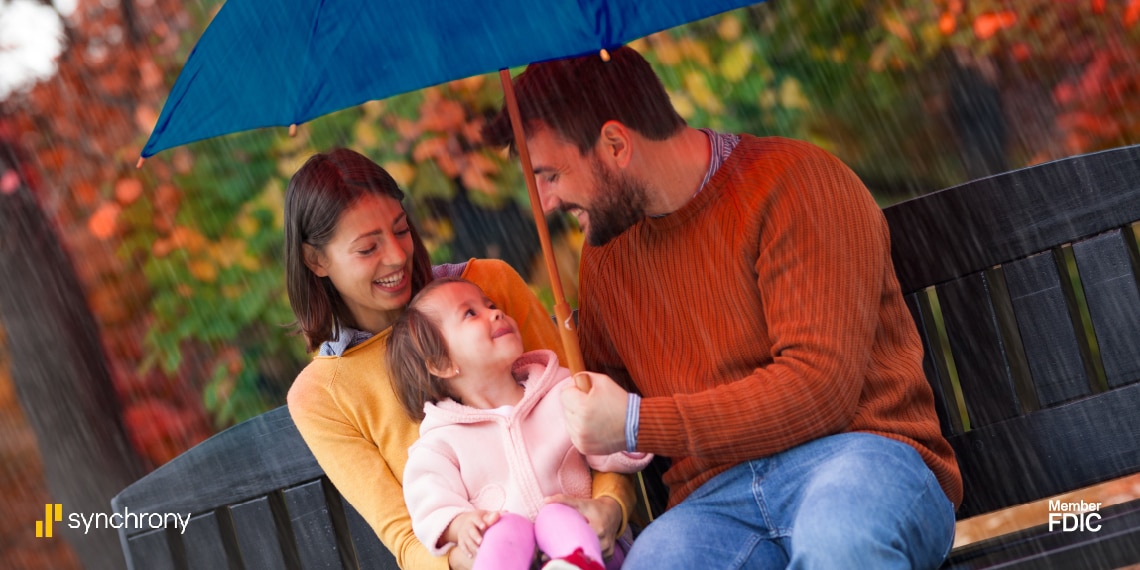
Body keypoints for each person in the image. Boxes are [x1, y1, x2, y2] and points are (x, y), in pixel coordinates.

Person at [482, 46, 963, 569]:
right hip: (714, 506)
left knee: (840, 543)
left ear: (616, 143)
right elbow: (606, 421)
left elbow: (818, 390)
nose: (546, 200)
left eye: (550, 175)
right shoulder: (606, 256)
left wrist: (637, 422)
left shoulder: (794, 184)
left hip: (855, 457)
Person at [282, 148, 635, 570]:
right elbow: (407, 537)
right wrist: (486, 554)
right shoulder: (322, 394)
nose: (396, 256)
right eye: (367, 248)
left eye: (401, 229)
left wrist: (610, 507)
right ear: (315, 260)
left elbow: (590, 422)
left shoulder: (487, 286)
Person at [388, 277, 651, 570]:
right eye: (470, 313)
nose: (496, 313)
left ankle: (575, 565)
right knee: (501, 531)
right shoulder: (440, 443)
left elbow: (609, 452)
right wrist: (459, 524)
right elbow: (429, 502)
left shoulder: (561, 393)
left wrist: (625, 429)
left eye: (492, 305)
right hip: (514, 558)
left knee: (557, 513)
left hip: (590, 547)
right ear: (441, 364)